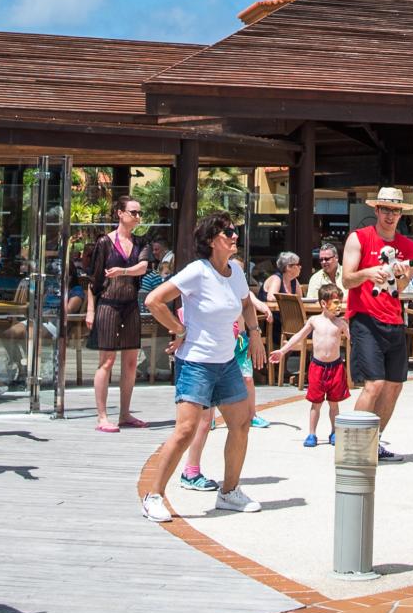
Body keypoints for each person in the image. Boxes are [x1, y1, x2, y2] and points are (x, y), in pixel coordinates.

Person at [139, 214, 265, 522]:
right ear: (211, 240)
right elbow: (154, 300)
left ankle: (229, 492)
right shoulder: (197, 271)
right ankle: (153, 496)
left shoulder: (234, 271)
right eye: (228, 233)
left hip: (226, 362)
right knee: (185, 431)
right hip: (196, 362)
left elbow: (246, 302)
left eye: (235, 232)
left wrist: (255, 333)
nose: (235, 237)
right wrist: (179, 330)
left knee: (241, 424)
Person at [342, 188, 413, 458]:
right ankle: (354, 445)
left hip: (394, 319)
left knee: (394, 385)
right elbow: (346, 280)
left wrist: (401, 274)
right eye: (386, 209)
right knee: (373, 384)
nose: (390, 215)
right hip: (364, 317)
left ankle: (373, 442)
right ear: (376, 211)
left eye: (396, 210)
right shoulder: (359, 238)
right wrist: (367, 272)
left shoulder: (409, 247)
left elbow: (400, 287)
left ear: (402, 214)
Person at [86, 197, 149, 434]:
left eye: (139, 213)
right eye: (133, 212)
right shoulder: (104, 243)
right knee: (107, 361)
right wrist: (91, 309)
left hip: (130, 304)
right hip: (108, 304)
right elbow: (93, 279)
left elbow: (143, 267)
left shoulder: (141, 242)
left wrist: (122, 271)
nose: (137, 217)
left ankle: (125, 413)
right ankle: (102, 415)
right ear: (120, 213)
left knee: (131, 362)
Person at [277, 294, 350, 446]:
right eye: (335, 302)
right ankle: (312, 434)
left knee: (334, 403)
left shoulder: (341, 323)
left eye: (340, 302)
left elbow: (354, 339)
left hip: (335, 367)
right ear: (324, 303)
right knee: (315, 403)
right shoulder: (314, 321)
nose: (339, 306)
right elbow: (298, 336)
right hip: (318, 367)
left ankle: (334, 432)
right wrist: (283, 351)